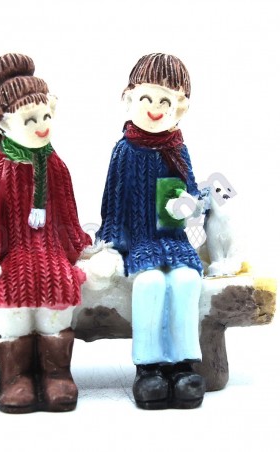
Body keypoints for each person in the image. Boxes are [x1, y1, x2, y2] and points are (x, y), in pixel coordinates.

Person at [0, 53, 91, 413]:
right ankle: (15, 375)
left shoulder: (56, 166)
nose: (41, 127)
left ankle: (57, 373)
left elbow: (68, 217)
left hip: (51, 254)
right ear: (2, 121)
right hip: (14, 257)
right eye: (30, 119)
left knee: (60, 291)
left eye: (46, 117)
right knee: (12, 302)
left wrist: (78, 250)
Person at [94, 53, 206, 409]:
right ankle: (149, 366)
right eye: (147, 98)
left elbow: (192, 192)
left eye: (165, 101)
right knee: (150, 284)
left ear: (179, 107)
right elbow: (113, 203)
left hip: (174, 240)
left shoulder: (178, 150)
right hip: (140, 242)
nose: (155, 109)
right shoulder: (124, 151)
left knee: (186, 281)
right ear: (130, 99)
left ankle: (184, 364)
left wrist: (187, 206)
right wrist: (111, 244)